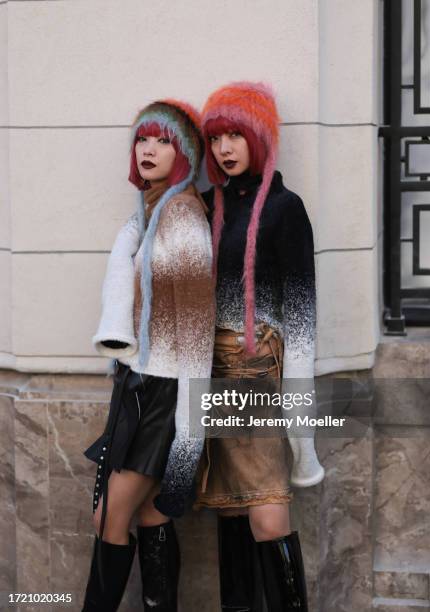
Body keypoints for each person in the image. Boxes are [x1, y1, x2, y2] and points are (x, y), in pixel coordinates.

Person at [194, 82, 325, 611]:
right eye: (216, 137)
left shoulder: (285, 209)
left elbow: (302, 321)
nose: (225, 148)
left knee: (267, 517)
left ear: (259, 137)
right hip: (205, 374)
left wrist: (302, 419)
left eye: (236, 135)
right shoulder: (204, 207)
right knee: (229, 514)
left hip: (258, 378)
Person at [81, 99, 215, 611]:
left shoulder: (181, 217)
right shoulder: (152, 215)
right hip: (143, 386)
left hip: (164, 394)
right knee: (152, 516)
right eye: (142, 139)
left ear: (184, 156)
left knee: (108, 520)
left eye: (163, 141)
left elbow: (198, 332)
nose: (149, 150)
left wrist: (188, 432)